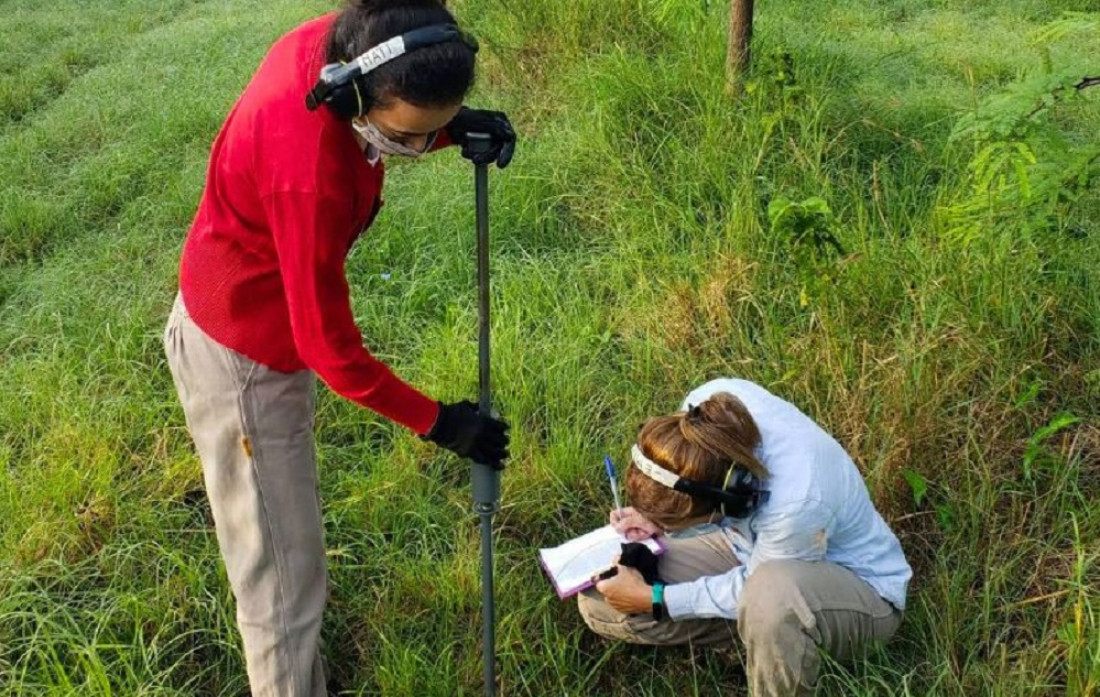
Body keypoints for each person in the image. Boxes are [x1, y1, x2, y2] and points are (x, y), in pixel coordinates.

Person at [162, 1, 513, 694]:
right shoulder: (309, 174)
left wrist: (449, 132)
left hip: (246, 305)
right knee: (283, 584)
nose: (417, 149)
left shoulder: (346, 44)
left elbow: (387, 123)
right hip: (245, 357)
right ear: (354, 98)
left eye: (433, 132)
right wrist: (443, 421)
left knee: (289, 558)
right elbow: (329, 350)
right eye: (410, 137)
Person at [579, 378, 912, 697]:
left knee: (770, 601)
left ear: (730, 501)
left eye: (673, 525)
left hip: (860, 594)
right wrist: (655, 521)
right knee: (598, 599)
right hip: (751, 552)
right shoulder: (704, 414)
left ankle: (779, 640)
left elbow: (760, 585)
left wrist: (657, 600)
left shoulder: (799, 499)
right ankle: (772, 641)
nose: (666, 530)